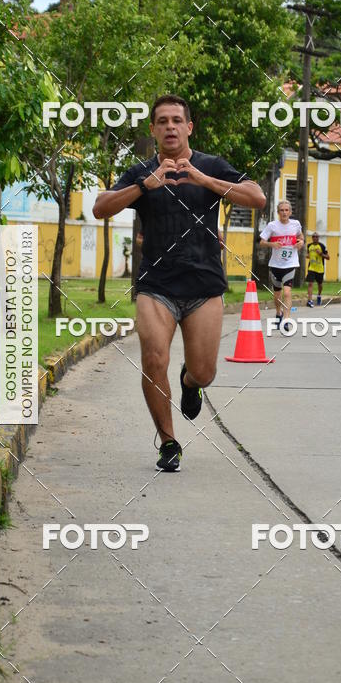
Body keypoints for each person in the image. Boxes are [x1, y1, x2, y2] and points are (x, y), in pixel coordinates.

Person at [93, 94, 265, 472]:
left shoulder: (210, 166)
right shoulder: (141, 172)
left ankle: (190, 383)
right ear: (153, 130)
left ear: (188, 127)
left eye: (176, 120)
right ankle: (169, 442)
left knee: (205, 372)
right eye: (162, 121)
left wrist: (204, 180)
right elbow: (100, 207)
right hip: (156, 284)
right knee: (154, 359)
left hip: (203, 285)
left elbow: (257, 197)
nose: (170, 126)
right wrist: (144, 187)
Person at [259, 201, 303, 331]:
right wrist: (272, 244)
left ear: (290, 212)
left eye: (286, 210)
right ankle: (278, 313)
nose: (284, 212)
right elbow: (262, 242)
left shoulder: (295, 224)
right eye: (281, 210)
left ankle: (286, 320)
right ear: (278, 213)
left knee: (287, 293)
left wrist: (301, 242)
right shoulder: (272, 226)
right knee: (277, 294)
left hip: (290, 263)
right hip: (275, 264)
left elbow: (300, 236)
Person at [306, 231, 330, 307]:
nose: (315, 238)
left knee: (320, 285)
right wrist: (307, 255)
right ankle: (309, 300)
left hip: (320, 269)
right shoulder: (309, 245)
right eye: (313, 237)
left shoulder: (322, 246)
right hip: (311, 268)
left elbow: (328, 257)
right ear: (312, 238)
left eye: (316, 237)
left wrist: (321, 254)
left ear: (318, 238)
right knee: (310, 283)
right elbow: (308, 254)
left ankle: (319, 295)